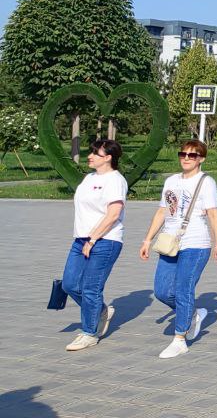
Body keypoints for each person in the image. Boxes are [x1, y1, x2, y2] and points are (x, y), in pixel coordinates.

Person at [139, 139, 217, 359]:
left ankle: (180, 339)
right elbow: (161, 212)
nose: (186, 158)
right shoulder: (171, 181)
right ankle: (193, 314)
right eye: (183, 154)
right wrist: (147, 239)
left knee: (184, 289)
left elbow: (213, 214)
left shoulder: (206, 182)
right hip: (170, 242)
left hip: (196, 243)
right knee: (162, 291)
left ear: (201, 159)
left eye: (192, 155)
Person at [61, 139, 127, 351]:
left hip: (105, 241)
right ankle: (100, 311)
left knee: (91, 288)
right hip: (81, 238)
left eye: (94, 153)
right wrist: (85, 239)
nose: (89, 156)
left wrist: (93, 239)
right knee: (69, 284)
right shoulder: (89, 178)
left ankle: (89, 333)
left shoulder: (115, 180)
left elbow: (113, 214)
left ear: (108, 157)